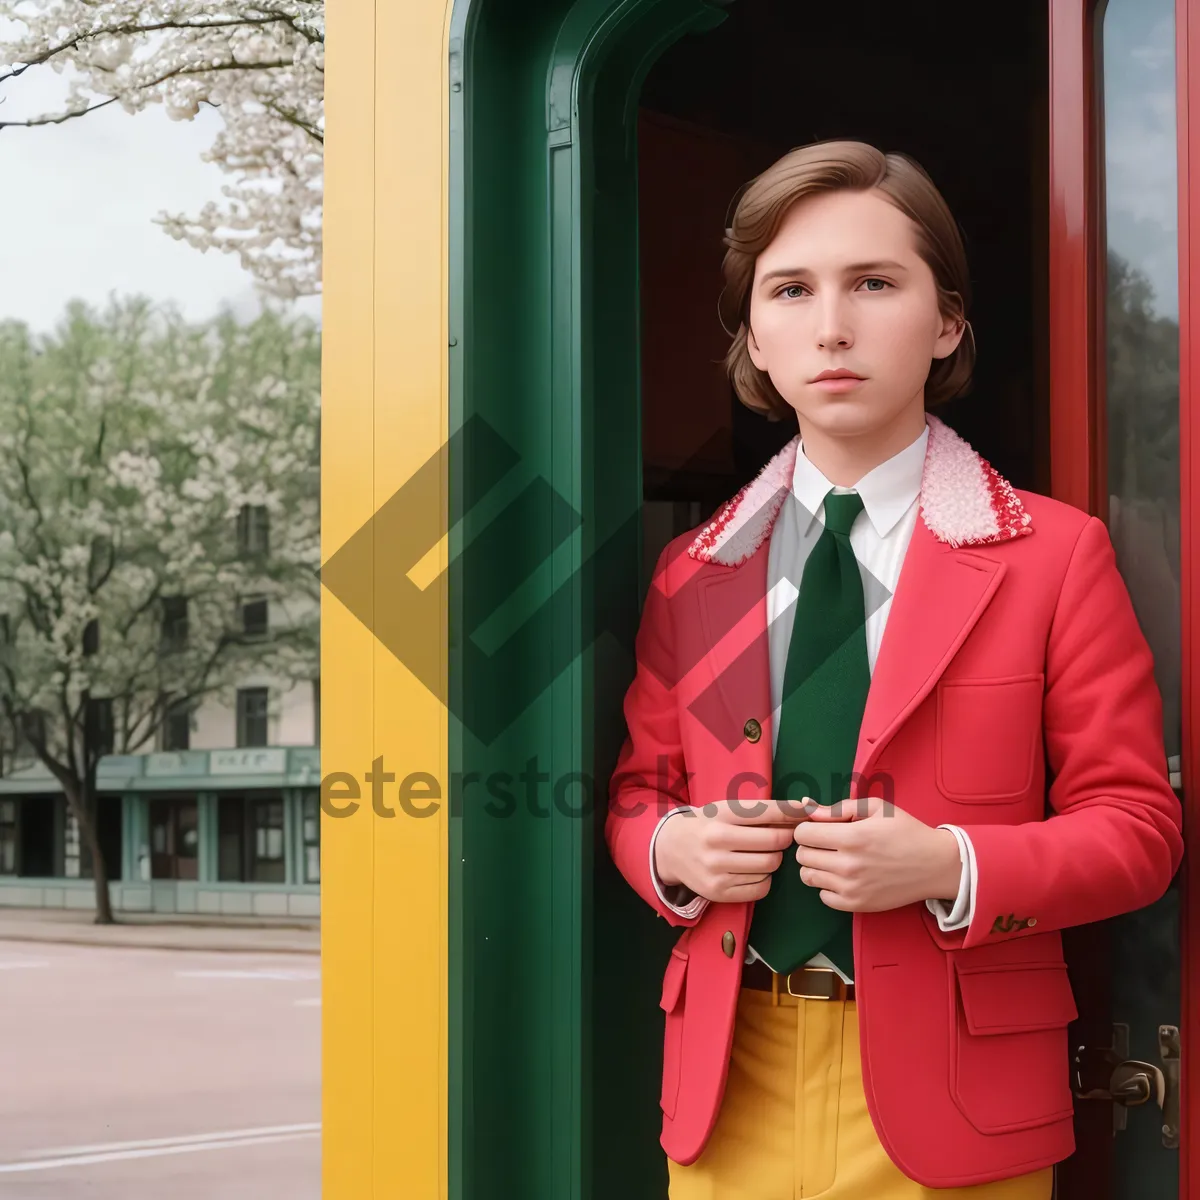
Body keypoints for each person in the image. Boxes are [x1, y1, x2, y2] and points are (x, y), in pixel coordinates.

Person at [605, 139, 1184, 1199]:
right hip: (729, 1085)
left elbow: (1138, 832)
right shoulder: (692, 575)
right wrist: (676, 845)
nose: (833, 325)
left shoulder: (1054, 558)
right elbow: (637, 801)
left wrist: (948, 865)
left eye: (874, 283)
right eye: (791, 290)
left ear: (947, 322)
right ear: (757, 342)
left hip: (961, 1099)